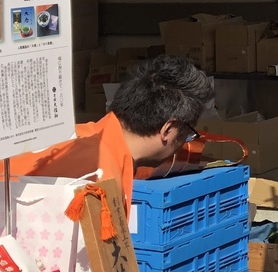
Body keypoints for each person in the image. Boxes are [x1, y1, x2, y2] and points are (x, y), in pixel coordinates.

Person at [10, 55, 213, 211]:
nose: (186, 141)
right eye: (188, 132)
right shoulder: (101, 179)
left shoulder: (80, 133)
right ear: (168, 130)